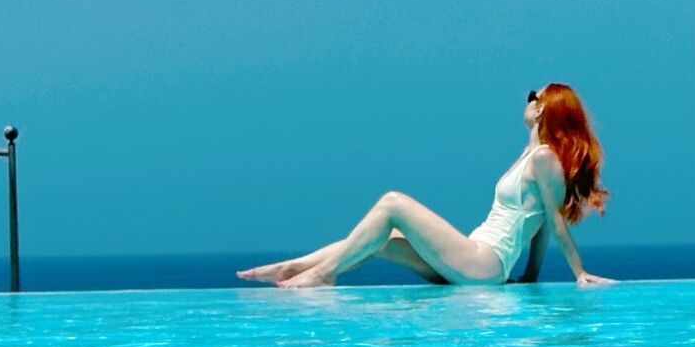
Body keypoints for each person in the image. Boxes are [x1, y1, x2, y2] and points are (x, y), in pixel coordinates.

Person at [237, 83, 614, 289]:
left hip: (483, 263)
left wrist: (578, 273)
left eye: (535, 95)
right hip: (475, 259)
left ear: (543, 109)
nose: (528, 99)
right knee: (380, 240)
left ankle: (321, 274)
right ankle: (297, 266)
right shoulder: (528, 156)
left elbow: (553, 220)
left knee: (393, 203)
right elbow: (538, 225)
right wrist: (529, 279)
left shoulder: (544, 158)